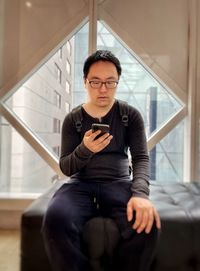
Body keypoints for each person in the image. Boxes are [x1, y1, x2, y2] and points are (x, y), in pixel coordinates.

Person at [42, 50, 161, 271]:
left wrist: (140, 194)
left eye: (110, 82)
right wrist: (85, 149)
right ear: (85, 82)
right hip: (79, 185)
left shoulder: (130, 115)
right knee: (55, 220)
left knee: (147, 225)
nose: (103, 89)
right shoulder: (73, 120)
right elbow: (66, 167)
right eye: (95, 82)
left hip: (119, 184)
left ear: (118, 82)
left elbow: (141, 158)